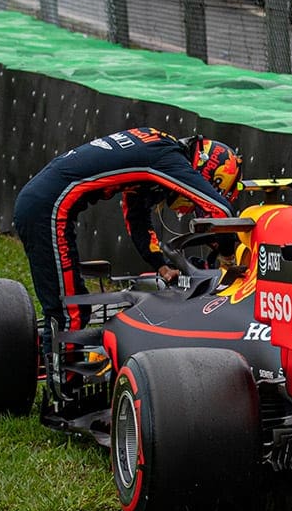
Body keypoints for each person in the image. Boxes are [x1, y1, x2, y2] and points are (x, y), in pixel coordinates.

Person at [13, 128, 242, 354]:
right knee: (68, 311)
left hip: (42, 203)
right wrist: (228, 259)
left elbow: (136, 216)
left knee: (69, 308)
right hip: (49, 209)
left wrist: (160, 264)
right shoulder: (167, 158)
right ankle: (65, 386)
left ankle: (61, 375)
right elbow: (220, 209)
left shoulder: (156, 146)